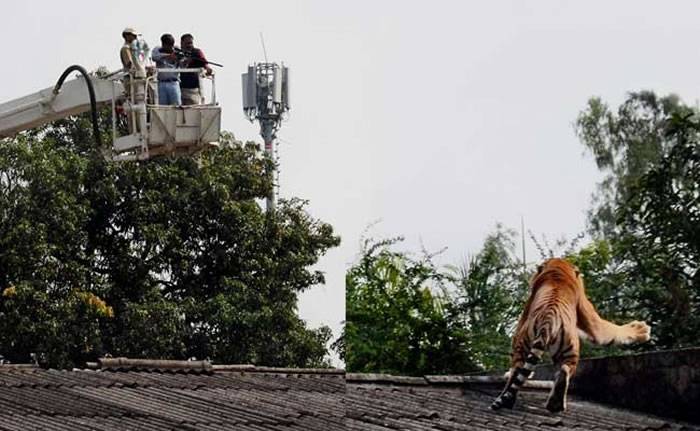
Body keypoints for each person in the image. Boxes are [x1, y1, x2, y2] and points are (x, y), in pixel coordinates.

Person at [179, 33, 212, 105]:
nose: (189, 45)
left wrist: (208, 68)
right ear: (181, 43)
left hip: (193, 90)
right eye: (187, 43)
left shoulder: (196, 52)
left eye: (191, 43)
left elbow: (204, 63)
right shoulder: (177, 52)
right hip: (179, 89)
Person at [151, 34, 181, 106]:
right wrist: (168, 56)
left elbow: (183, 60)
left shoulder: (177, 50)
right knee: (162, 107)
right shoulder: (157, 49)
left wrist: (177, 57)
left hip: (173, 82)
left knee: (176, 107)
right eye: (168, 45)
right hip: (161, 83)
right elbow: (154, 57)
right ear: (163, 44)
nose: (170, 47)